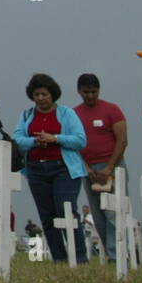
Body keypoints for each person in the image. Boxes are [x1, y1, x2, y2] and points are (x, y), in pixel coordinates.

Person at [13, 73, 88, 264]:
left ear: (52, 94)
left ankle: (79, 259)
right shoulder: (27, 115)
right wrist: (35, 141)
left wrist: (55, 138)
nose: (40, 98)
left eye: (44, 94)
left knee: (66, 212)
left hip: (63, 169)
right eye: (37, 94)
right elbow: (18, 139)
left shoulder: (67, 114)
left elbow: (80, 139)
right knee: (47, 216)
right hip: (36, 169)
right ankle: (60, 259)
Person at [73, 73, 126, 261]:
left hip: (111, 166)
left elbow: (122, 140)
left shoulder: (112, 110)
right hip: (88, 170)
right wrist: (87, 169)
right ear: (79, 91)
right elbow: (73, 144)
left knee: (113, 212)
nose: (90, 96)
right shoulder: (74, 114)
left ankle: (117, 255)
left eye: (93, 92)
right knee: (98, 214)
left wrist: (109, 168)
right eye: (86, 92)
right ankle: (110, 251)